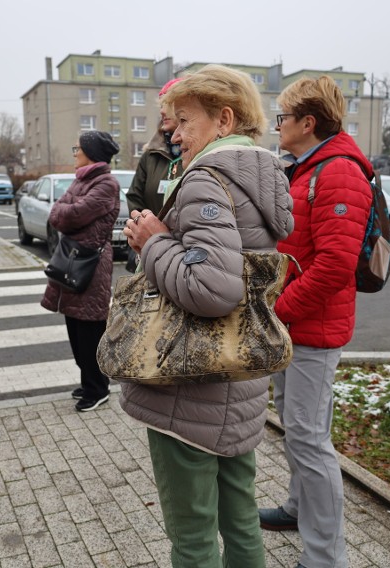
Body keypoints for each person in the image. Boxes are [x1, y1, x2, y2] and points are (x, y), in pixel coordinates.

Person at [119, 64, 293, 568]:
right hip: (237, 385)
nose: (173, 132)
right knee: (240, 521)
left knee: (192, 536)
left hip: (189, 389)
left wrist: (152, 242)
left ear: (223, 118)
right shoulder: (257, 179)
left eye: (184, 120)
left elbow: (211, 289)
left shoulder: (206, 181)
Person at [258, 75, 374, 568]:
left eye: (282, 117)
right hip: (296, 326)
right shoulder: (309, 167)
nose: (275, 125)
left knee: (309, 436)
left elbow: (333, 267)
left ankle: (326, 557)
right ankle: (297, 507)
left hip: (312, 329)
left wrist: (274, 312)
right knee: (298, 427)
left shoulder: (338, 173)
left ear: (309, 122)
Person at [40, 130, 121, 412]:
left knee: (89, 332)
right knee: (74, 328)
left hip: (90, 265)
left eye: (78, 148)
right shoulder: (82, 181)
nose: (74, 152)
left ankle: (98, 388)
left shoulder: (106, 184)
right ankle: (88, 381)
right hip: (72, 259)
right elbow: (57, 213)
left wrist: (65, 211)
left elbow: (71, 215)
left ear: (92, 153)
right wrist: (64, 211)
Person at [126, 78, 182, 216]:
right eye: (161, 106)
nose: (162, 111)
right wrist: (143, 225)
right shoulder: (150, 154)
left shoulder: (203, 153)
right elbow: (134, 198)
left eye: (168, 104)